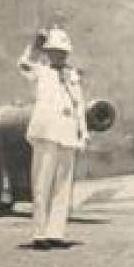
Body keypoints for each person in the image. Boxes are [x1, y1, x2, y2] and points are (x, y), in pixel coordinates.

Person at [18, 27, 88, 249]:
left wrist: (83, 132)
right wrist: (35, 45)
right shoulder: (40, 71)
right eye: (55, 51)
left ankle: (56, 232)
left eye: (63, 52)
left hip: (68, 133)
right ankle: (39, 234)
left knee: (63, 186)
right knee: (42, 183)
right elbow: (22, 64)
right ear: (47, 52)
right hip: (46, 133)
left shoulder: (72, 76)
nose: (60, 55)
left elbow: (79, 105)